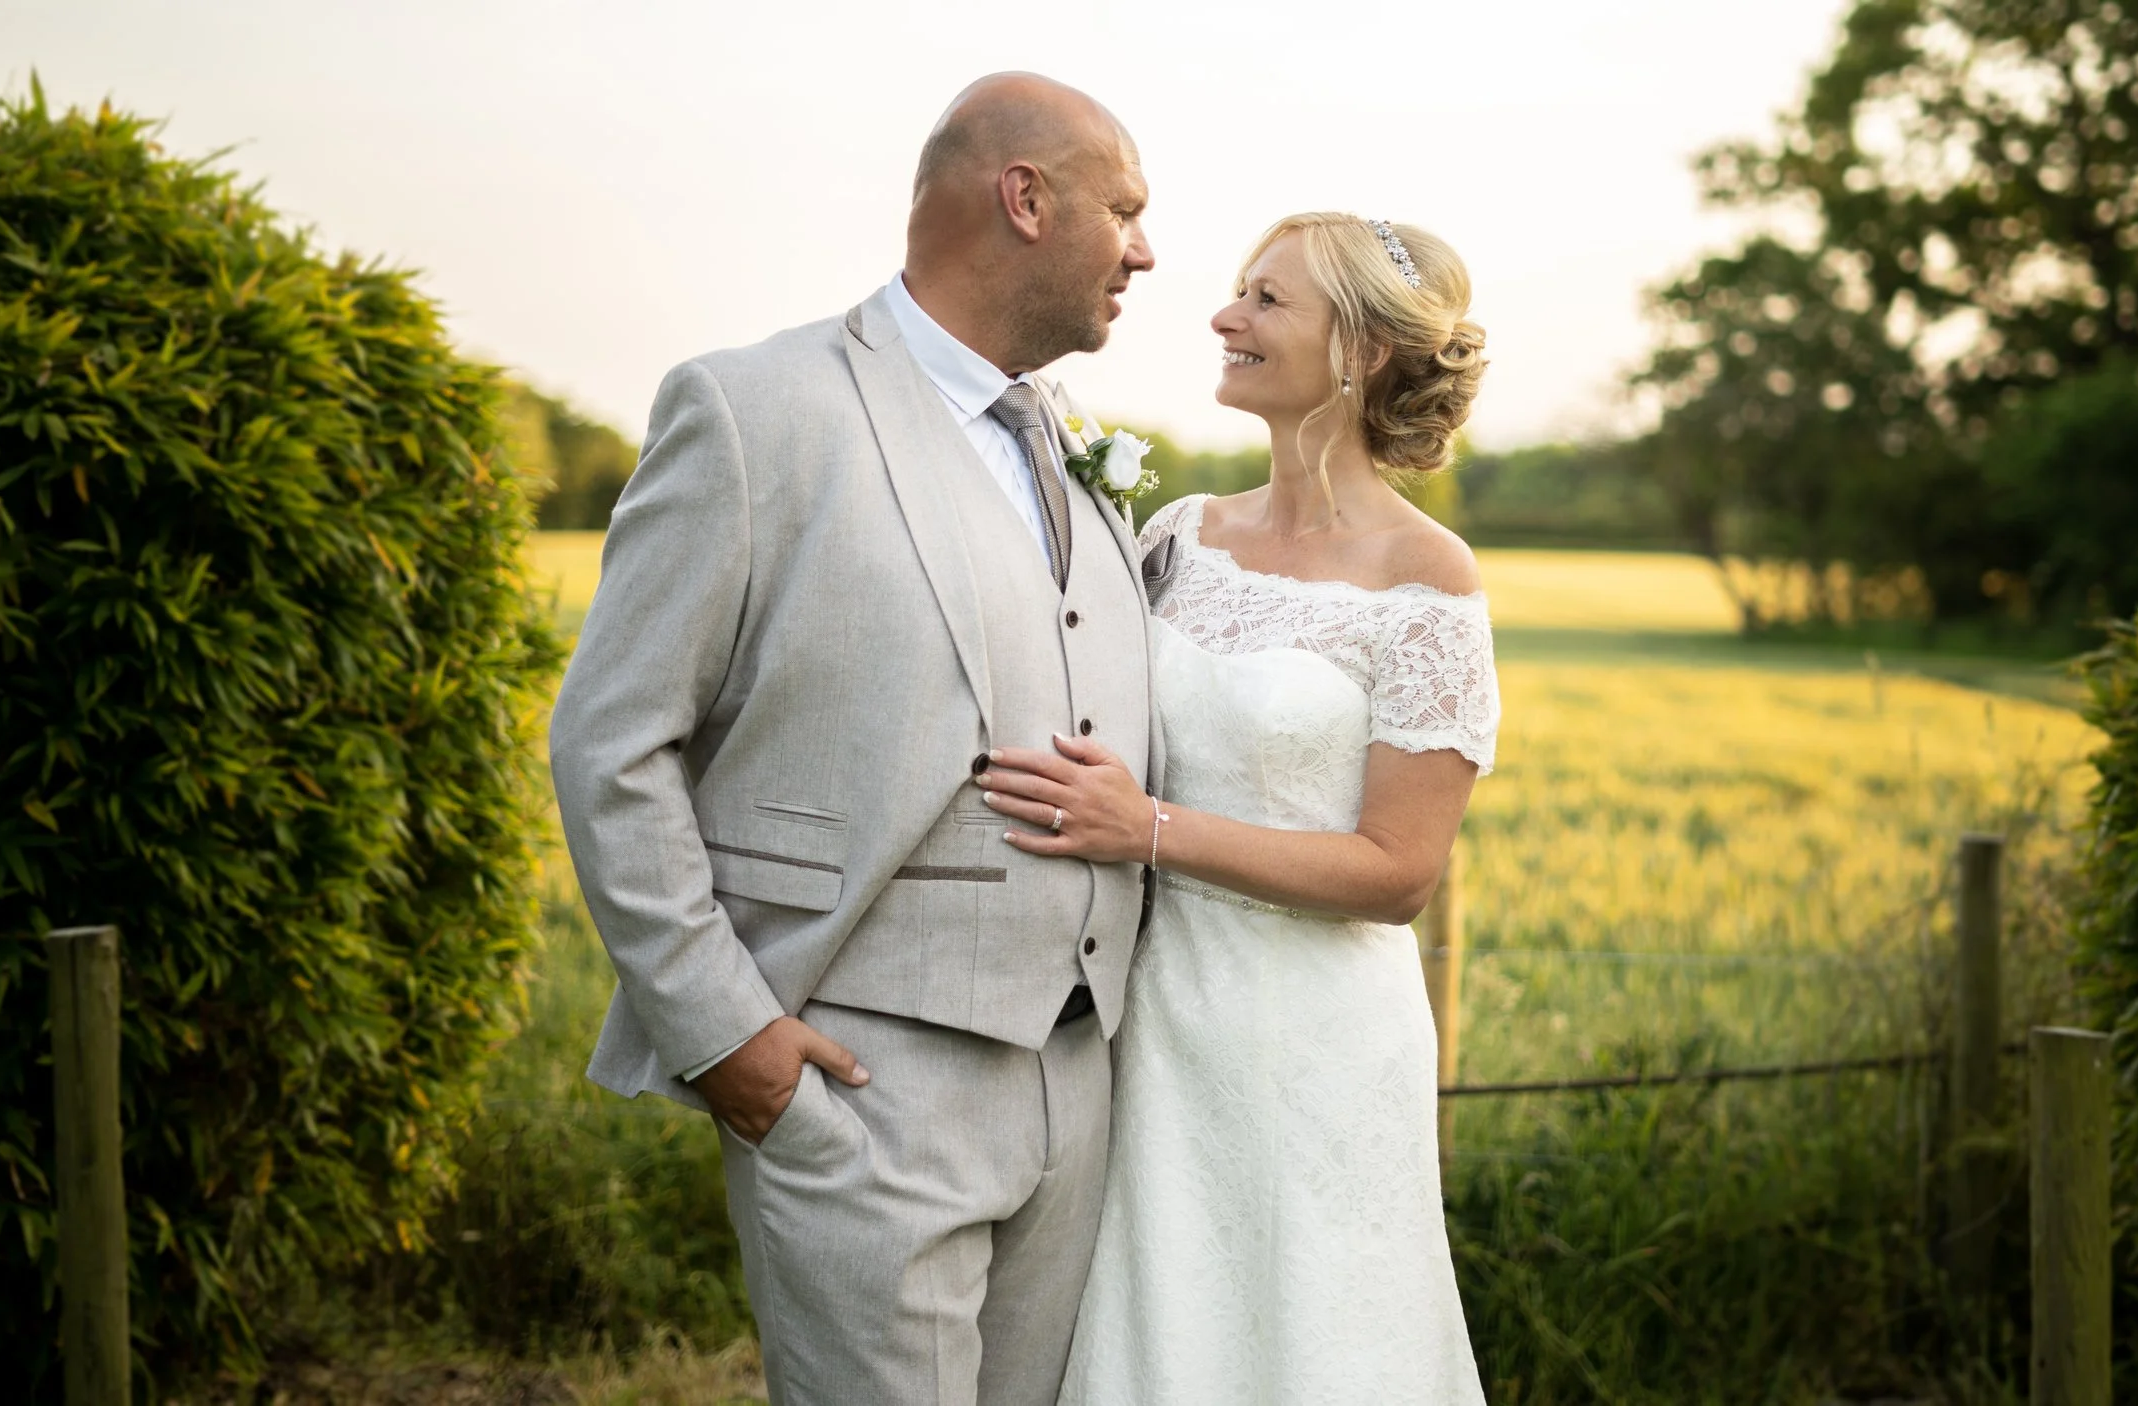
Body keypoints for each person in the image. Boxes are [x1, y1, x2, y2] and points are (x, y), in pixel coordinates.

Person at [547, 73, 1158, 1406]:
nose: (1148, 250)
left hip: (1080, 1076)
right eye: (1127, 210)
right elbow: (611, 744)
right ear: (1025, 197)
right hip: (860, 1083)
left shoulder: (1071, 443)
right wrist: (728, 1038)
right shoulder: (756, 412)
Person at [977, 212, 1498, 1404]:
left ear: (1361, 349)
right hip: (1148, 1017)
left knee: (1307, 1336)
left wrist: (1146, 828)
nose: (1225, 316)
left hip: (1310, 1037)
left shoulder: (1427, 578)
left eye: (1267, 299)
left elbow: (1398, 870)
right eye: (1236, 292)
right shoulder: (1177, 535)